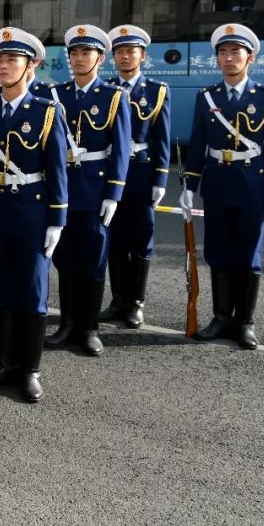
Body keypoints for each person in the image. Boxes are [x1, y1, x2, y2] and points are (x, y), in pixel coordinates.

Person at [0, 27, 67, 403]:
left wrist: (57, 219)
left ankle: (30, 369)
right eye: (1, 60)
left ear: (32, 66)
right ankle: (5, 364)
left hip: (31, 212)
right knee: (2, 289)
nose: (4, 66)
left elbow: (57, 168)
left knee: (32, 291)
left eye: (13, 60)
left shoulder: (46, 111)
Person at [180, 24, 264, 350]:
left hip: (252, 183)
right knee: (218, 251)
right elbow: (197, 144)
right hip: (216, 184)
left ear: (250, 57)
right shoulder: (207, 96)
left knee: (248, 254)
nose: (228, 59)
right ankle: (221, 317)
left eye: (235, 52)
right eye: (223, 53)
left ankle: (245, 322)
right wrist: (189, 184)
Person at [45, 25, 131, 357]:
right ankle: (67, 323)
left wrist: (114, 194)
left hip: (95, 191)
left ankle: (89, 327)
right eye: (74, 53)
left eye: (86, 53)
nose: (79, 59)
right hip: (64, 188)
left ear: (100, 57)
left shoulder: (113, 96)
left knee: (93, 260)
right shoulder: (57, 95)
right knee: (65, 260)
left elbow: (121, 149)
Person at [100, 25, 171, 329]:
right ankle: (118, 300)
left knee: (141, 238)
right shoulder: (106, 90)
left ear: (143, 56)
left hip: (141, 171)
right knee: (114, 238)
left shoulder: (157, 91)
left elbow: (163, 138)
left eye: (131, 51)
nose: (125, 56)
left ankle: (136, 303)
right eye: (120, 52)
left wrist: (161, 179)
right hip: (110, 174)